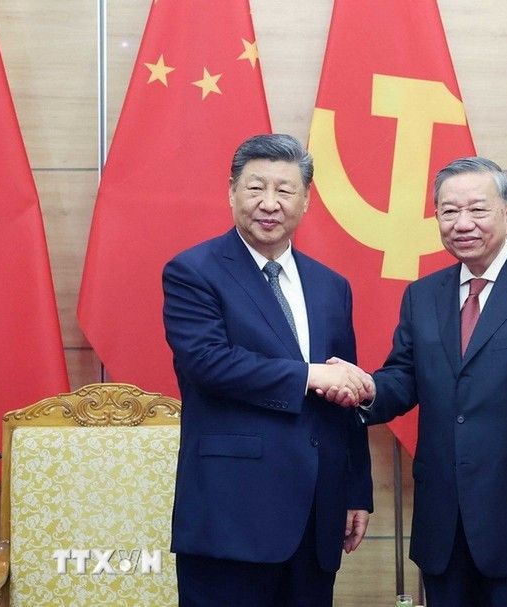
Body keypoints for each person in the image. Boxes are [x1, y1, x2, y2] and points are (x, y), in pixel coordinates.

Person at [336, 157, 507, 606]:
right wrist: (363, 388)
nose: (462, 223)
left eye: (477, 210)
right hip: (443, 526)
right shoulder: (422, 295)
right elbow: (404, 377)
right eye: (448, 211)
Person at [162, 134, 374, 607]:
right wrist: (308, 375)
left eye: (285, 190)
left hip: (317, 512)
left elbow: (345, 394)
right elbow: (208, 363)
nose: (270, 203)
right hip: (232, 512)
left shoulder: (330, 285)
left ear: (306, 199)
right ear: (232, 192)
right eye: (256, 188)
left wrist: (355, 488)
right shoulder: (194, 271)